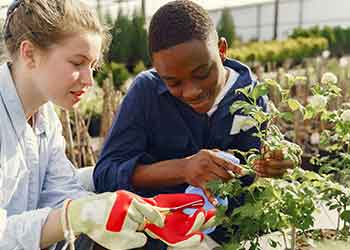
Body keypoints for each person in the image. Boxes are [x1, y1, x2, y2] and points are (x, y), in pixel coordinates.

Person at [0, 1, 212, 250]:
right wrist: (74, 216)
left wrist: (124, 211)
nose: (89, 80)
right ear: (29, 53)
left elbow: (60, 190)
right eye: (77, 63)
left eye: (92, 66)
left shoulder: (44, 116)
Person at [93, 0, 293, 247]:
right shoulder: (145, 92)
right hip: (158, 238)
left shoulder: (250, 94)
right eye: (173, 83)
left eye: (202, 73)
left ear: (221, 50)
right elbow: (105, 175)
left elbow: (251, 177)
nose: (191, 92)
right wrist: (183, 169)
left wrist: (269, 166)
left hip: (227, 238)